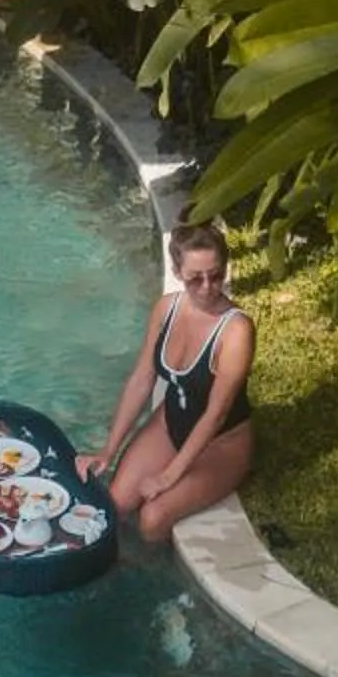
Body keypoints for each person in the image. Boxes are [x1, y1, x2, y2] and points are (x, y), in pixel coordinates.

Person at [77, 221, 255, 545]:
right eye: (195, 278)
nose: (207, 287)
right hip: (170, 423)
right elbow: (142, 379)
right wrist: (109, 449)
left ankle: (144, 568)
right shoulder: (166, 309)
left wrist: (167, 477)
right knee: (114, 506)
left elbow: (216, 413)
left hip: (221, 444)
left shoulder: (236, 331)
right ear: (176, 270)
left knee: (152, 517)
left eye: (216, 275)